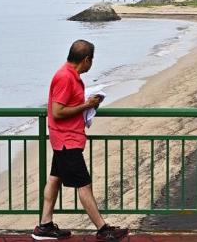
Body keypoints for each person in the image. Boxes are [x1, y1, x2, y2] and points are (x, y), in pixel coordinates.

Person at [32, 40, 129, 241]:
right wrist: (86, 105)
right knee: (84, 185)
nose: (91, 64)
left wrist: (87, 104)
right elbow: (57, 112)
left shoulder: (69, 76)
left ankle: (44, 226)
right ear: (86, 59)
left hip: (64, 139)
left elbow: (64, 105)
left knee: (55, 179)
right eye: (91, 61)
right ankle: (103, 229)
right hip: (67, 140)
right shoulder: (65, 77)